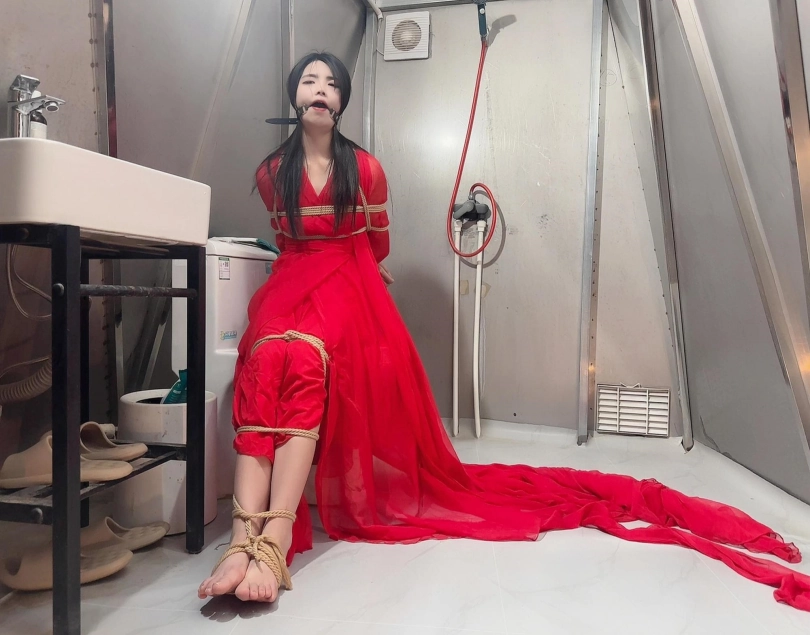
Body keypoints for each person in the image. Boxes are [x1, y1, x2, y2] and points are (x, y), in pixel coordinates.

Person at [198, 52, 810, 611]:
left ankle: (273, 541)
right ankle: (241, 538)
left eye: (331, 83)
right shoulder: (271, 171)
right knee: (266, 361)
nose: (320, 89)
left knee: (305, 363)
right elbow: (288, 241)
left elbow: (376, 245)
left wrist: (357, 284)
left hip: (345, 280)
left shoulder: (366, 169)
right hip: (292, 278)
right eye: (309, 80)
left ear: (343, 100)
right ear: (294, 94)